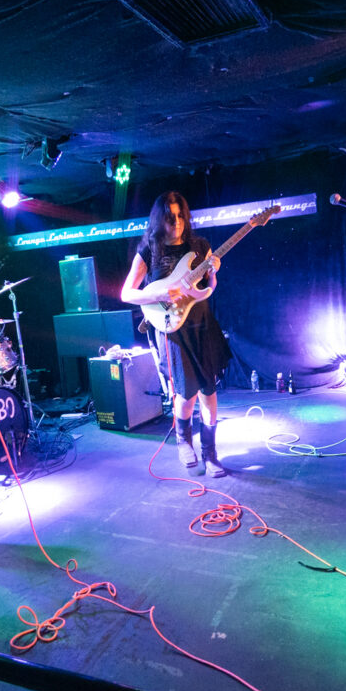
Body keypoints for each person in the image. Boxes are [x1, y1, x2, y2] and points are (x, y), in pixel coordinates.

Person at [121, 191, 232, 477]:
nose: (177, 222)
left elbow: (208, 288)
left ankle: (211, 454)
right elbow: (126, 293)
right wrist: (159, 293)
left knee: (209, 390)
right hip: (172, 329)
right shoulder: (149, 251)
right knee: (186, 392)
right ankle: (184, 441)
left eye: (181, 215)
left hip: (202, 325)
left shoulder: (200, 246)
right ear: (160, 220)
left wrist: (213, 273)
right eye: (171, 218)